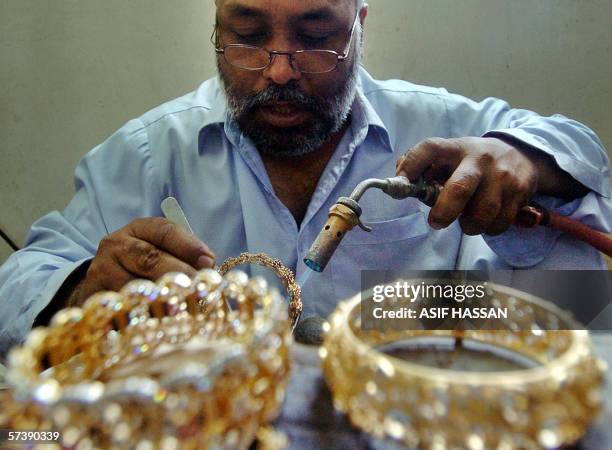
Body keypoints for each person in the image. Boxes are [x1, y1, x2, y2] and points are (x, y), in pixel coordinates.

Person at [0, 0, 610, 355]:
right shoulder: (145, 154)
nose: (280, 71)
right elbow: (20, 280)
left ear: (360, 25)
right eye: (247, 36)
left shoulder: (446, 128)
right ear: (216, 27)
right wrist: (80, 295)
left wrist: (530, 162)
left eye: (317, 38)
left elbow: (581, 298)